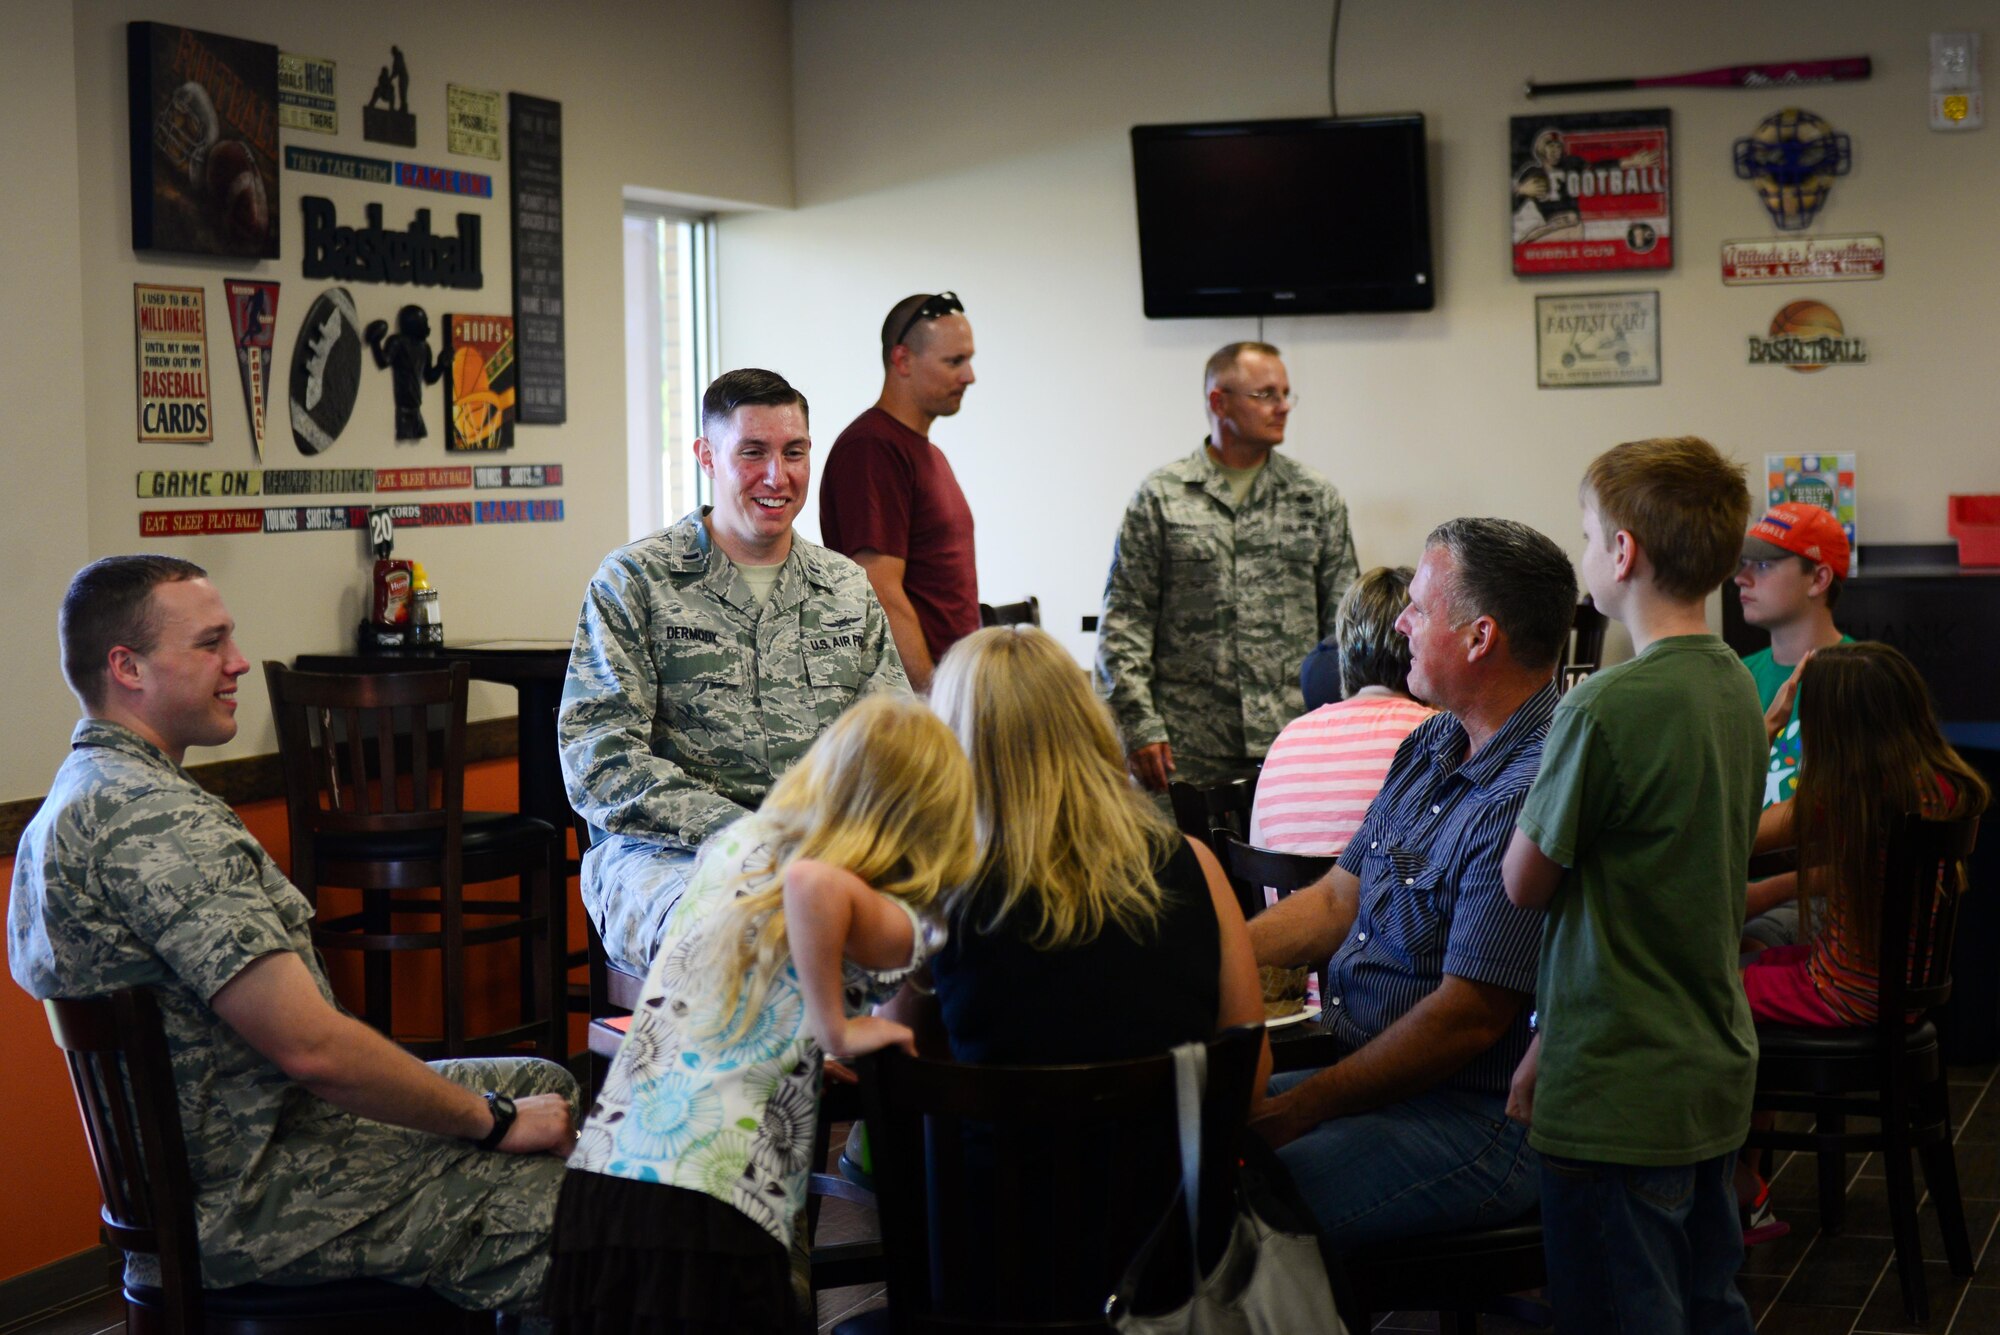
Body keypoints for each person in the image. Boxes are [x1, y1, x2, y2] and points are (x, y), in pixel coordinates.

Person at [9, 556, 578, 1312]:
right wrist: (491, 1122)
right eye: (211, 643)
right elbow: (314, 1048)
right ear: (128, 667)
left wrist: (504, 1113)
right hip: (256, 1199)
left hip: (233, 1156)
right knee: (590, 1211)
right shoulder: (153, 821)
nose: (238, 661)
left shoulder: (77, 799)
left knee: (551, 1084)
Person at [549, 694, 974, 1332]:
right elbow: (827, 892)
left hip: (607, 1180)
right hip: (715, 1202)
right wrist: (840, 1027)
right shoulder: (830, 884)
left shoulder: (740, 846)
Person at [884, 624, 1269, 1316]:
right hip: (1170, 1254)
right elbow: (1253, 1066)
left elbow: (895, 1059)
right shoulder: (1196, 864)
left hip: (993, 1269)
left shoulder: (937, 890)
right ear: (1089, 727)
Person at [1245, 518, 1576, 1247]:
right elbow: (1340, 895)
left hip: (1475, 1117)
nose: (1400, 622)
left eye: (1419, 610)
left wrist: (1310, 1106)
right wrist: (1220, 948)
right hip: (1380, 1082)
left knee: (1240, 1211)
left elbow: (1470, 1015)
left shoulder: (1526, 788)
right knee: (1181, 1144)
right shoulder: (1432, 739)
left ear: (1479, 637)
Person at [1504, 436, 1765, 1335]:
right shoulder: (1736, 681)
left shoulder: (1600, 704)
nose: (1583, 552)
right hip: (1707, 1065)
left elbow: (1524, 882)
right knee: (1708, 1303)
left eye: (1586, 533)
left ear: (1622, 554)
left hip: (1617, 1091)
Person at [560, 368, 906, 974]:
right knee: (753, 936)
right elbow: (601, 760)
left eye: (794, 452)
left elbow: (895, 742)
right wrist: (754, 837)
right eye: (753, 452)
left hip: (825, 849)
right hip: (673, 856)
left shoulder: (846, 587)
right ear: (706, 456)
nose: (778, 476)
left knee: (961, 922)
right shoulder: (636, 582)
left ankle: (866, 1063)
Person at [1096, 341, 1360, 793]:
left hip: (1294, 739)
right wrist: (1138, 725)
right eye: (1266, 394)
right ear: (1219, 402)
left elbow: (1346, 626)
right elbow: (1125, 620)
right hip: (1184, 746)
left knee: (1288, 865)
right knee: (1182, 863)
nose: (1282, 407)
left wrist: (1344, 726)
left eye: (1286, 394)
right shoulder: (1162, 496)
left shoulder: (1314, 497)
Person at [1742, 642, 1991, 1028]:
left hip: (1844, 993)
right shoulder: (1941, 785)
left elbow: (1739, 834)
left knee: (1705, 992)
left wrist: (1770, 726)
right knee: (1758, 958)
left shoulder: (1849, 797)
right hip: (1899, 991)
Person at [819, 292, 980, 691]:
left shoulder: (928, 453)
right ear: (903, 360)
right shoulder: (873, 448)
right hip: (917, 704)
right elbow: (880, 589)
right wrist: (930, 700)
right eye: (954, 361)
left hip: (954, 687)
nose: (969, 376)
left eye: (968, 359)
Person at [1250, 566, 1436, 854]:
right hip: (1388, 899)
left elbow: (1258, 865)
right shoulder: (1439, 735)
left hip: (1289, 900)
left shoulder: (1287, 739)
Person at [1735, 502, 1853, 950]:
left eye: (1763, 565)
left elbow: (1863, 842)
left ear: (1819, 579)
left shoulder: (1863, 678)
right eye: (1743, 565)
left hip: (1823, 894)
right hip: (1738, 878)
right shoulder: (1735, 676)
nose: (1742, 579)